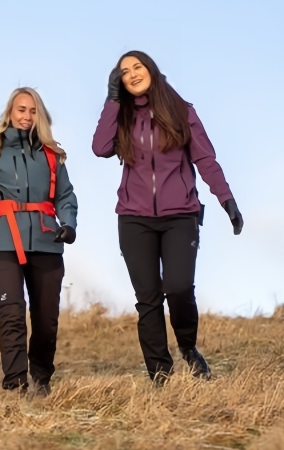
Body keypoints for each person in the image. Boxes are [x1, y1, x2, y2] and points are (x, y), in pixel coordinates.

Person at [92, 50, 243, 384]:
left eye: (137, 67)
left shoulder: (181, 111)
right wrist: (111, 100)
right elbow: (100, 147)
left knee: (177, 288)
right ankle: (160, 373)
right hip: (133, 218)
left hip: (180, 216)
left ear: (151, 69)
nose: (132, 74)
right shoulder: (122, 116)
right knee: (147, 298)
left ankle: (188, 348)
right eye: (124, 72)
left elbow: (205, 159)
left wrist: (226, 199)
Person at [0, 87, 78, 397]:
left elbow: (65, 196)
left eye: (33, 111)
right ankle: (15, 384)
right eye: (21, 110)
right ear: (10, 113)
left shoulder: (52, 156)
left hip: (47, 242)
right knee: (11, 313)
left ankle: (42, 378)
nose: (26, 116)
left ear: (40, 116)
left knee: (46, 320)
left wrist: (69, 225)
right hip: (1, 244)